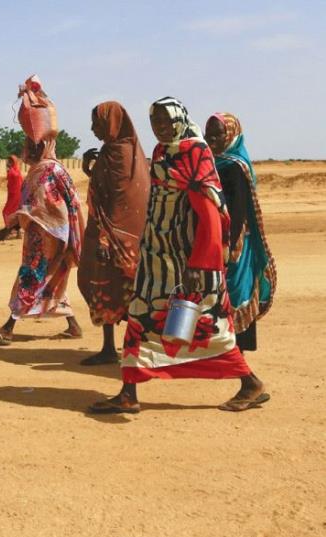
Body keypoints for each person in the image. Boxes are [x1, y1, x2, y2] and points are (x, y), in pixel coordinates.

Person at [88, 97, 269, 414]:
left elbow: (211, 215)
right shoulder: (161, 152)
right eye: (154, 121)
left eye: (164, 121)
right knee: (140, 322)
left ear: (179, 120)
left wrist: (200, 263)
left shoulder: (195, 154)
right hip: (156, 261)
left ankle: (250, 382)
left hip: (189, 264)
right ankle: (128, 393)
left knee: (207, 330)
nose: (159, 127)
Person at [0, 75, 83, 345]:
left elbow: (44, 206)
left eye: (37, 143)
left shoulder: (50, 170)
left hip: (48, 236)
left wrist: (10, 226)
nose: (31, 147)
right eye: (31, 143)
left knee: (31, 275)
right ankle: (73, 325)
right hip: (49, 235)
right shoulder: (44, 170)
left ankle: (8, 327)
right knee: (51, 278)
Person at [77, 102, 150, 365]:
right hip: (107, 231)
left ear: (111, 123)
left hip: (118, 236)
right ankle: (110, 347)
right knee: (103, 284)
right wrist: (90, 169)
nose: (93, 129)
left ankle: (128, 349)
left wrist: (108, 238)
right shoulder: (114, 151)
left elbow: (121, 200)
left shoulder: (121, 153)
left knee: (117, 287)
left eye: (97, 123)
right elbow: (105, 188)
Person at [204, 112, 276, 355]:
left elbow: (237, 211)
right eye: (209, 133)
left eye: (218, 133)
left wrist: (228, 246)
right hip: (215, 238)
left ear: (232, 134)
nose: (212, 138)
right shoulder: (212, 164)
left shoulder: (234, 167)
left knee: (235, 292)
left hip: (234, 243)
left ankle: (238, 353)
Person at [0, 155, 23, 239]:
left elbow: (12, 178)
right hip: (15, 195)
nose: (8, 163)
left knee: (6, 212)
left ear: (13, 162)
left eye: (10, 161)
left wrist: (9, 170)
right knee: (16, 214)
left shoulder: (13, 171)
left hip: (14, 196)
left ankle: (11, 231)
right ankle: (18, 232)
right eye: (8, 161)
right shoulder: (17, 171)